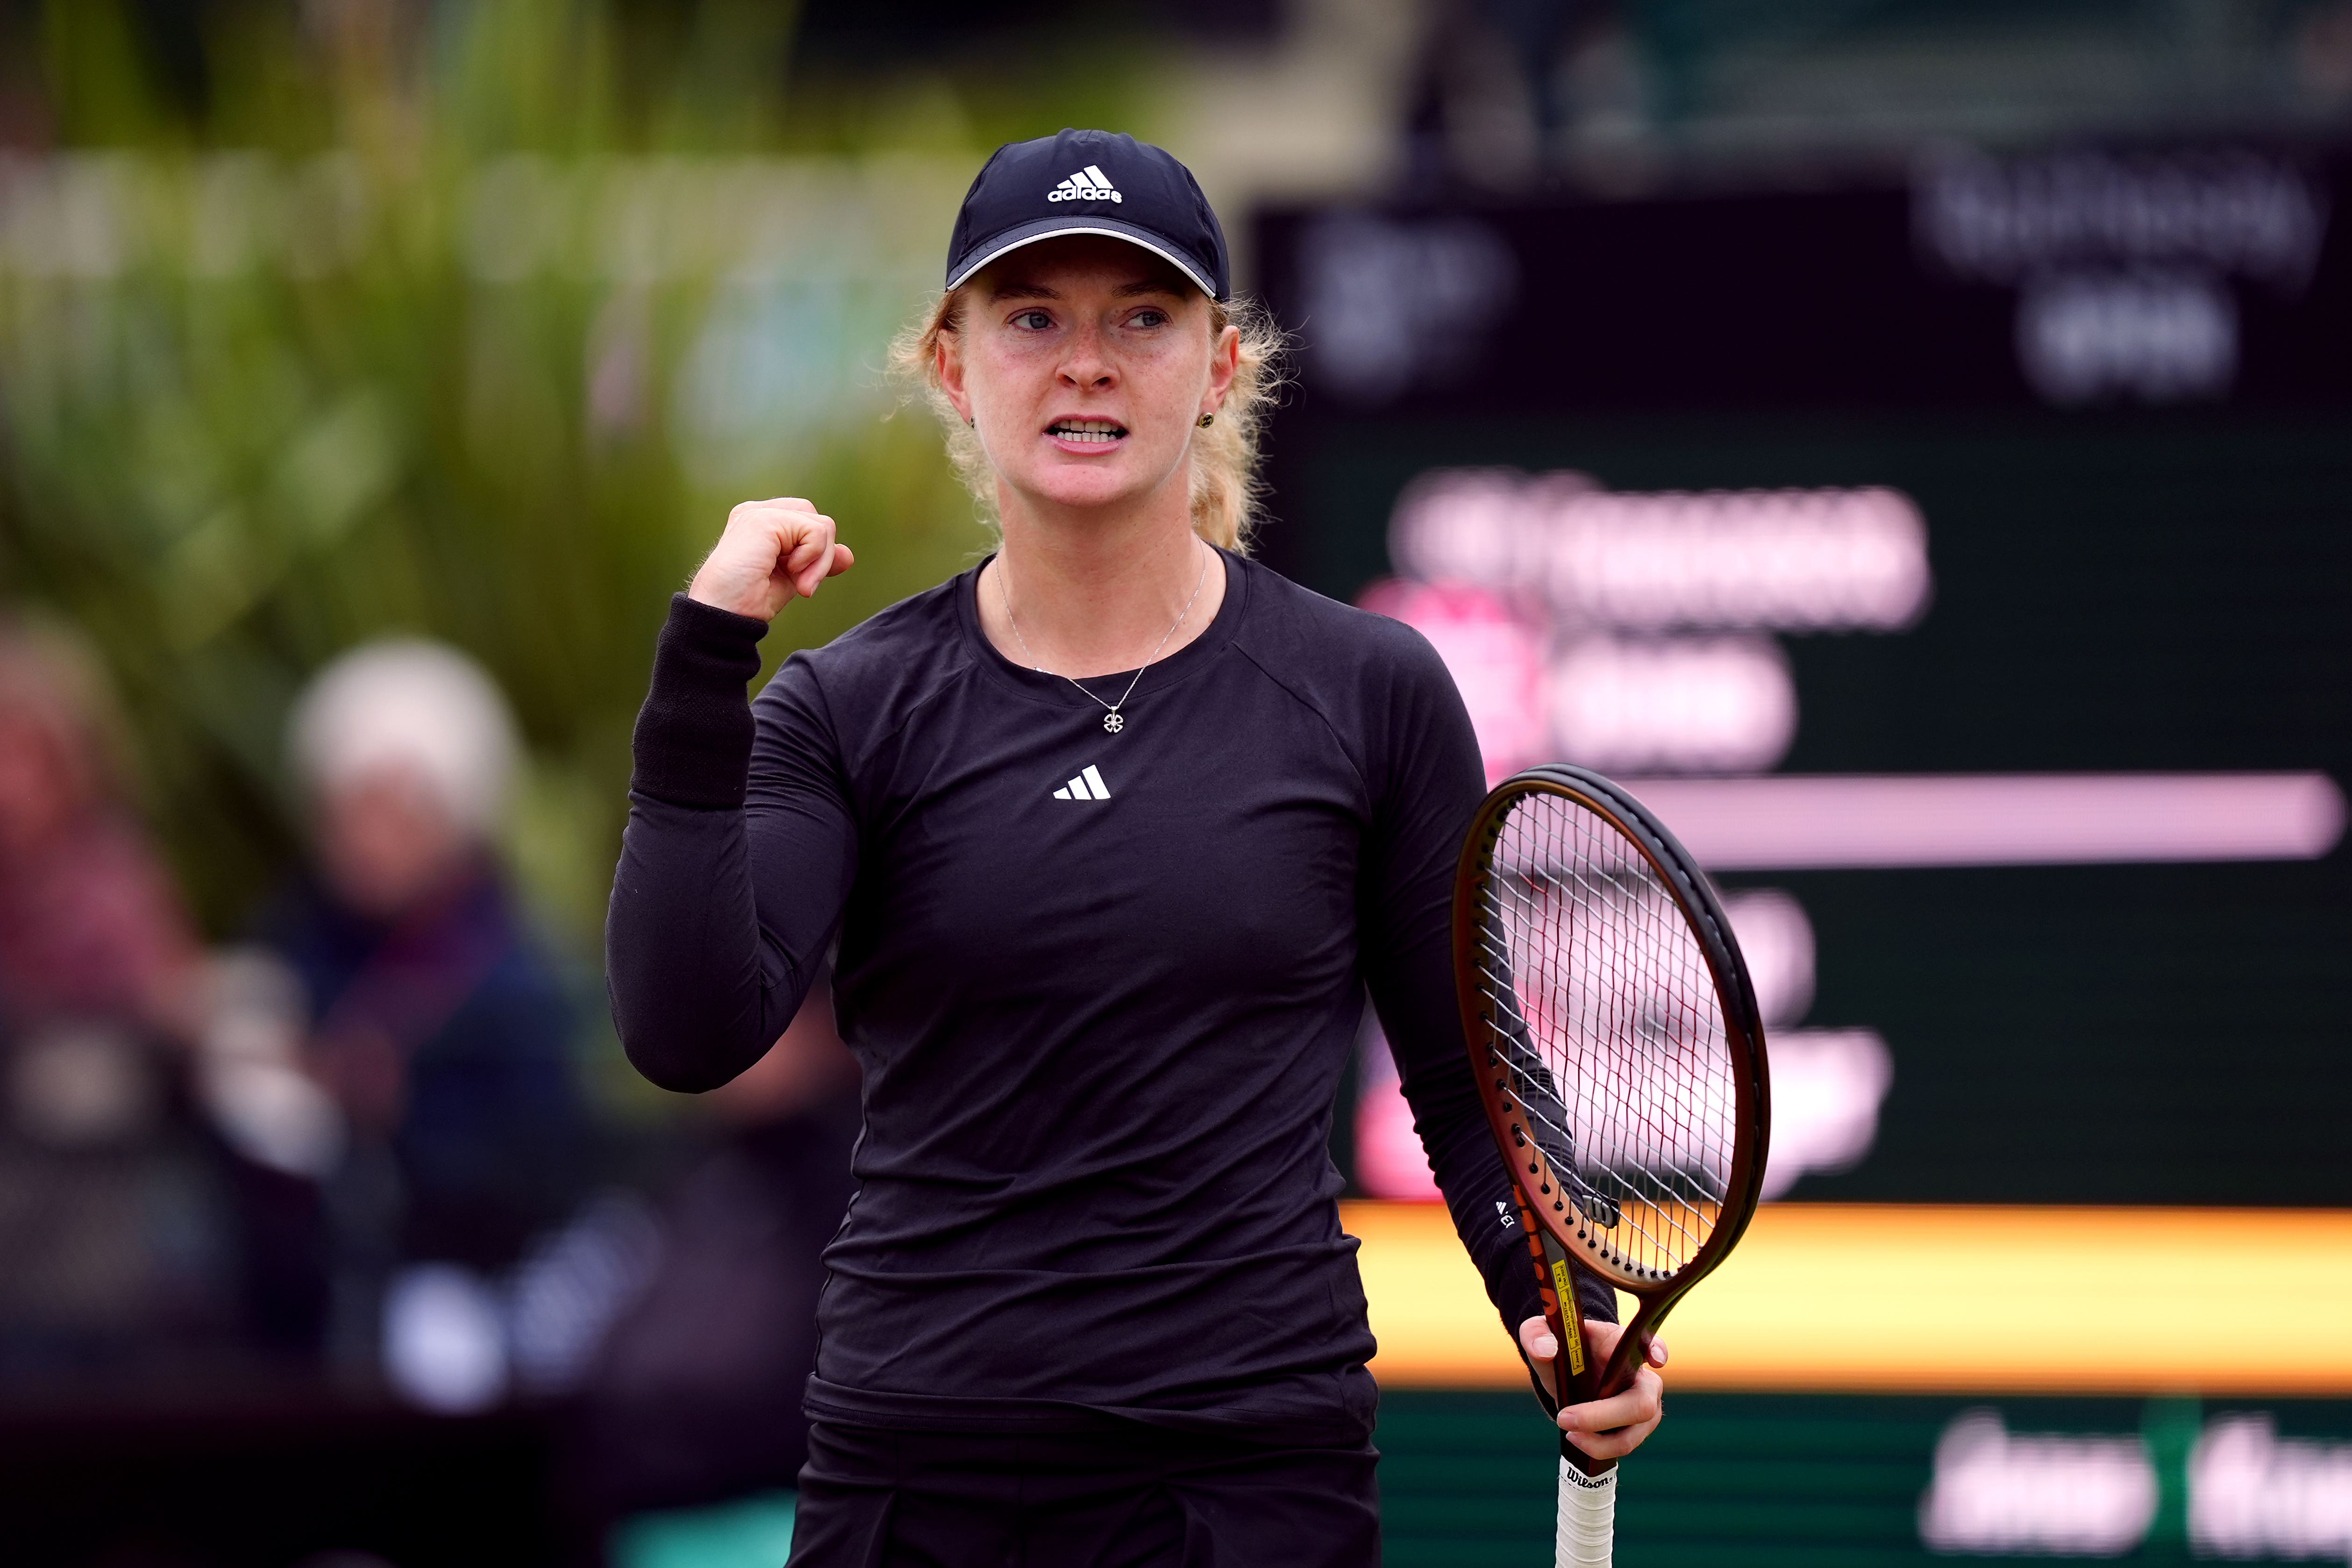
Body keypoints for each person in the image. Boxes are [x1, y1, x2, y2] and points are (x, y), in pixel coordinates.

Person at [606, 129, 1665, 1564]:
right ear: (951, 364)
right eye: (1032, 316)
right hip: (919, 1475)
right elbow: (686, 1031)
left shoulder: (1368, 690)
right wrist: (699, 667)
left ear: (1220, 366)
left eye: (1142, 319)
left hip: (1246, 1479)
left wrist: (1555, 1303)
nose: (1085, 362)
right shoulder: (844, 708)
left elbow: (1465, 1082)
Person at [267, 639, 587, 1362]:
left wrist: (399, 1114)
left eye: (397, 814)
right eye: (352, 812)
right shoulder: (301, 945)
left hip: (463, 1291)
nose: (370, 843)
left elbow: (542, 1168)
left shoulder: (513, 977)